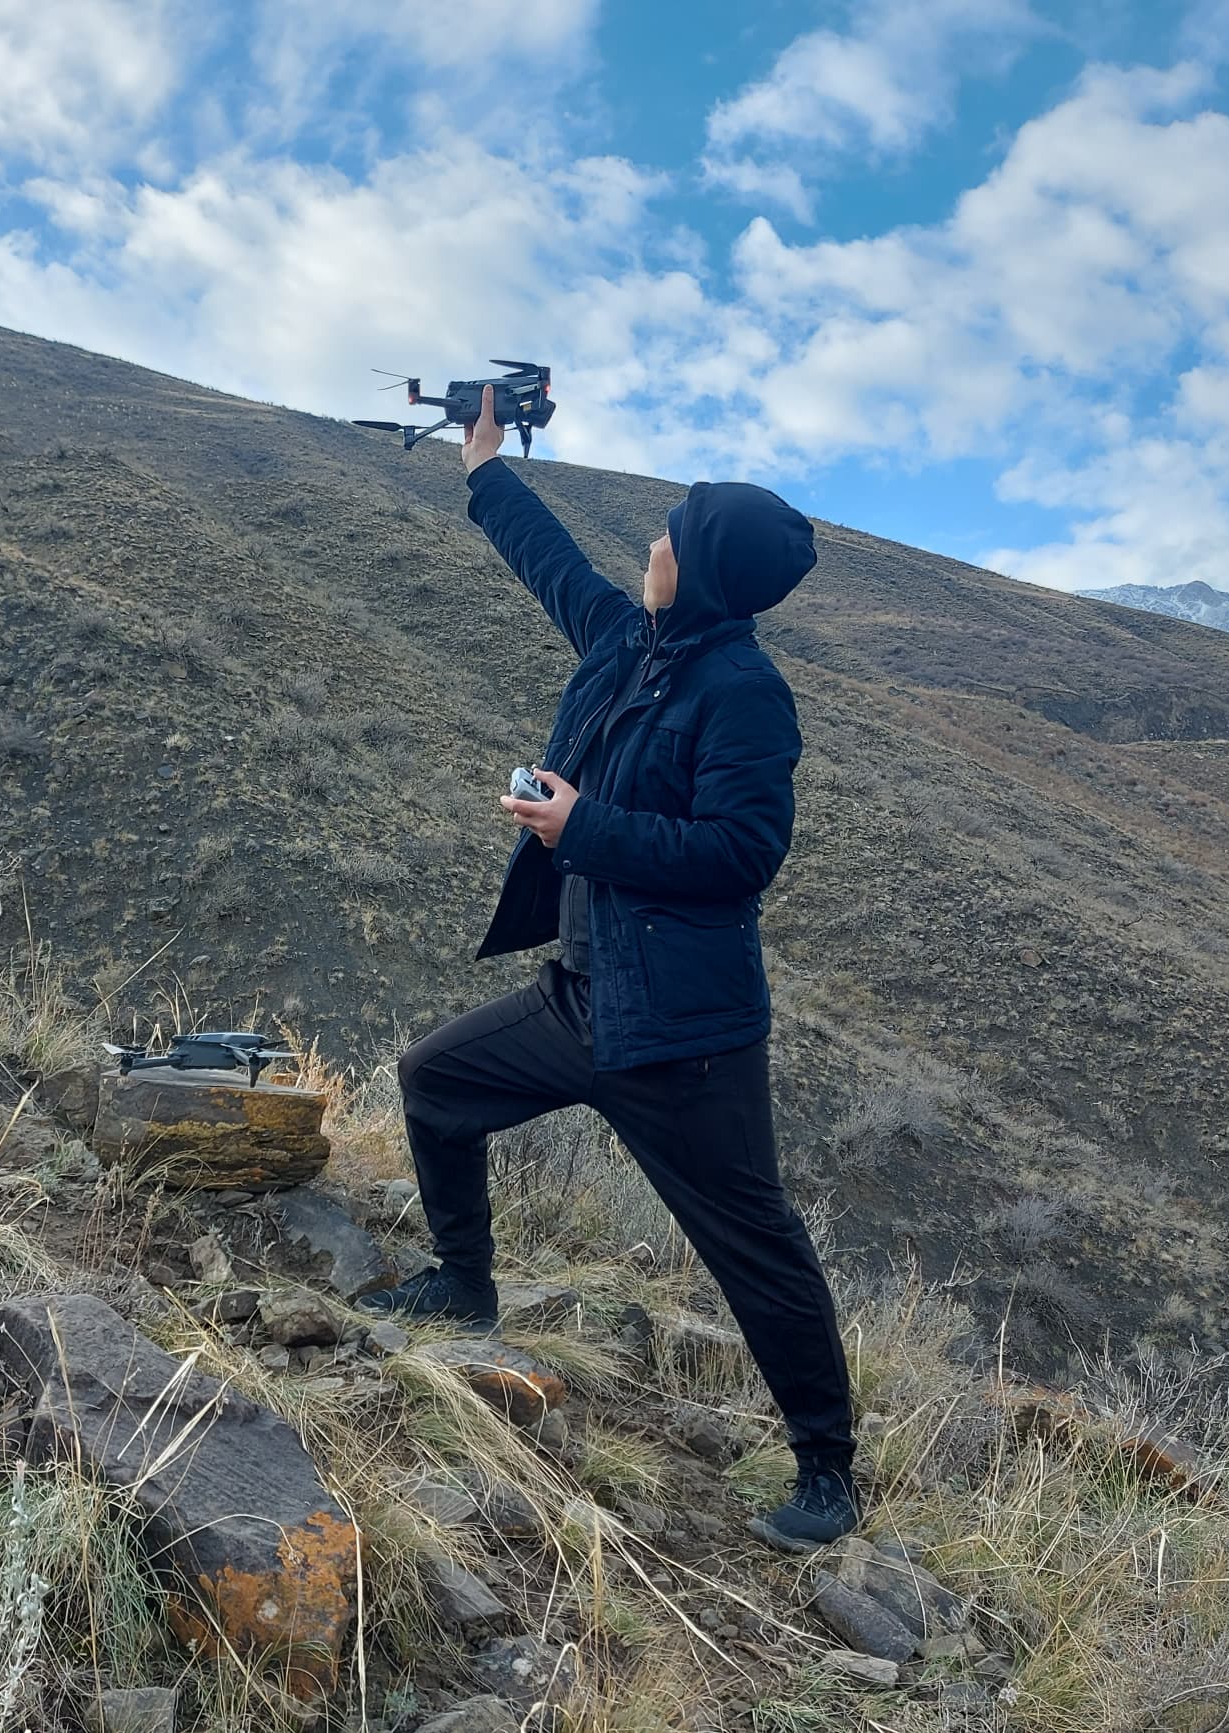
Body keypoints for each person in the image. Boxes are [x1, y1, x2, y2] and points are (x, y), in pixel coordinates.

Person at [361, 386, 861, 1551]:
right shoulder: (631, 643)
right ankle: (462, 1283)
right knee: (433, 1082)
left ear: (705, 572)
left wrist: (579, 827)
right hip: (580, 998)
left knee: (752, 1245)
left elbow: (743, 855)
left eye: (669, 539)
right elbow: (554, 568)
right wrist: (483, 467)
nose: (649, 546)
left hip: (682, 1037)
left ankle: (826, 1470)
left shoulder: (741, 692)